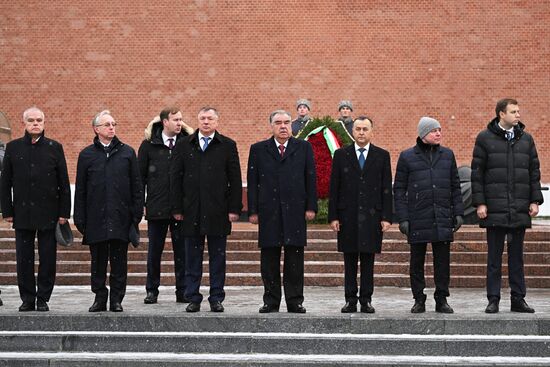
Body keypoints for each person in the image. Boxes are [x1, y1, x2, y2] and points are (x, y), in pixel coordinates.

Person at [471, 98, 543, 314]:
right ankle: (493, 299)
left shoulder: (526, 139)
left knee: (517, 258)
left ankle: (518, 299)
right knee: (494, 257)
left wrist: (534, 200)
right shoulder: (484, 139)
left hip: (519, 207)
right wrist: (480, 202)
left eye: (518, 111)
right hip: (494, 208)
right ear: (501, 114)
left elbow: (533, 172)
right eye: (513, 111)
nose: (518, 115)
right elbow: (477, 174)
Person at [171, 107, 242, 313]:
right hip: (190, 210)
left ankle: (216, 297)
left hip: (218, 210)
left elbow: (235, 179)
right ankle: (193, 296)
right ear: (197, 121)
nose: (206, 122)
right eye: (202, 118)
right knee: (192, 257)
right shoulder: (184, 145)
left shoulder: (227, 145)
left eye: (210, 118)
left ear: (217, 122)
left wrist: (234, 208)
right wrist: (176, 207)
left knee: (217, 257)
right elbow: (175, 178)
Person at [0, 107, 71, 312]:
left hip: (49, 213)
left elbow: (63, 183)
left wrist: (64, 213)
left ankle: (43, 298)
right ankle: (27, 298)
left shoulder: (54, 148)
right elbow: (5, 183)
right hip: (22, 213)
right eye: (31, 120)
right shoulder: (13, 148)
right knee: (24, 258)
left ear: (44, 122)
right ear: (24, 123)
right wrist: (8, 211)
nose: (35, 123)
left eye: (39, 120)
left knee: (48, 258)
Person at [247, 109, 317, 313]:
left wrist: (311, 206)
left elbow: (310, 178)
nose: (283, 126)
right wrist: (253, 210)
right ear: (271, 125)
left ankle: (295, 300)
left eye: (287, 122)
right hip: (269, 212)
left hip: (295, 211)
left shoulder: (303, 148)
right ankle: (271, 300)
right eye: (278, 122)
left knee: (295, 259)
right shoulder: (259, 149)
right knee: (269, 259)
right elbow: (253, 182)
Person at [74, 110, 143, 313]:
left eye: (114, 124)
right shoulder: (86, 155)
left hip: (121, 218)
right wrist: (80, 218)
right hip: (96, 218)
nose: (112, 127)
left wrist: (136, 215)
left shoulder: (127, 153)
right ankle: (99, 297)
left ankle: (116, 299)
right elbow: (81, 189)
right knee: (98, 262)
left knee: (119, 262)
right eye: (107, 124)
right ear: (96, 129)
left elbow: (136, 187)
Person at [394, 117, 464, 314]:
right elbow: (399, 190)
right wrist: (403, 218)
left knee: (442, 263)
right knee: (416, 262)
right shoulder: (407, 156)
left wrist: (458, 212)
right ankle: (419, 299)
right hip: (418, 217)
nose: (439, 133)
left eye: (440, 130)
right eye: (434, 130)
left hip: (441, 216)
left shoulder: (447, 155)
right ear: (423, 133)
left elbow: (455, 186)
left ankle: (442, 299)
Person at [328, 116, 392, 313]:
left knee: (368, 260)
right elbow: (334, 187)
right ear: (352, 132)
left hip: (372, 217)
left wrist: (387, 217)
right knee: (349, 260)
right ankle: (350, 300)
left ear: (372, 132)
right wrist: (333, 216)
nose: (361, 132)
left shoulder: (382, 155)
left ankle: (366, 300)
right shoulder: (341, 155)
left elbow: (386, 188)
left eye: (365, 129)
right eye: (358, 129)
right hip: (347, 216)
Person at [138, 107, 194, 304]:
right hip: (156, 207)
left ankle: (183, 290)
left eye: (181, 119)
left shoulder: (187, 144)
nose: (179, 123)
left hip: (181, 209)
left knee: (182, 252)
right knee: (154, 252)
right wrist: (142, 204)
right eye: (175, 119)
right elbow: (140, 178)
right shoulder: (148, 146)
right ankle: (152, 290)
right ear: (165, 122)